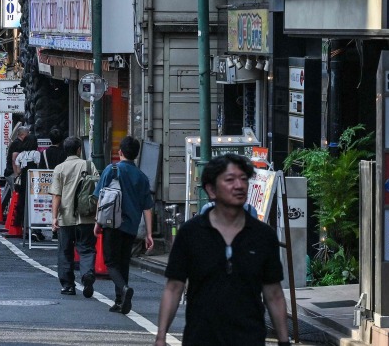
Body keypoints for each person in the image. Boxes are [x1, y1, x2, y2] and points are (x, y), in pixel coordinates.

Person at [154, 154, 290, 346]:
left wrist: (284, 341)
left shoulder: (263, 236)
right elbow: (174, 288)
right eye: (230, 180)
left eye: (243, 179)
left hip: (248, 338)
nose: (239, 185)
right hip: (201, 338)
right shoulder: (190, 233)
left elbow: (273, 293)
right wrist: (161, 337)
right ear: (211, 190)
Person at [94, 135, 154, 314]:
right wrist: (149, 234)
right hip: (131, 226)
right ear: (136, 155)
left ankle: (124, 291)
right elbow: (147, 207)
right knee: (123, 262)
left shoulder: (111, 170)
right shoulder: (142, 177)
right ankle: (120, 301)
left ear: (120, 152)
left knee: (111, 262)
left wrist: (98, 222)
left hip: (111, 223)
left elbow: (101, 198)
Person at [49, 136, 96, 297]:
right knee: (87, 248)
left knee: (65, 251)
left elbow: (56, 195)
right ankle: (87, 273)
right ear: (79, 150)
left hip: (66, 217)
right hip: (86, 216)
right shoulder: (89, 165)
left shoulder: (59, 169)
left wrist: (54, 217)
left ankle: (68, 285)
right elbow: (96, 189)